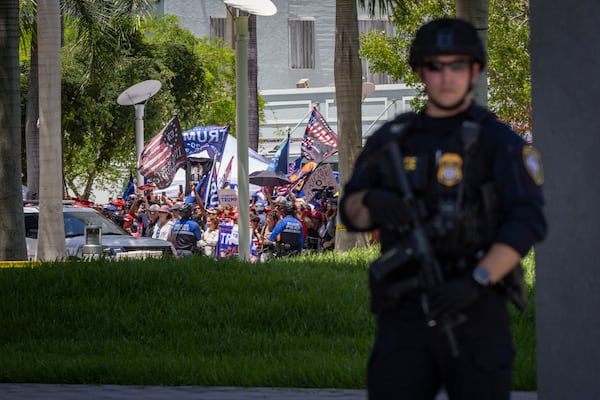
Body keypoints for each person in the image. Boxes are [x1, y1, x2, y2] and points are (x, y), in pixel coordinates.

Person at [339, 18, 547, 400]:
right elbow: (351, 212)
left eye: (457, 65)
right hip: (404, 313)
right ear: (421, 71)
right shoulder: (393, 138)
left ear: (475, 71)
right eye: (435, 66)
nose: (446, 76)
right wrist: (374, 202)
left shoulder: (498, 142)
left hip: (476, 310)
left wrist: (477, 281)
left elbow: (527, 222)